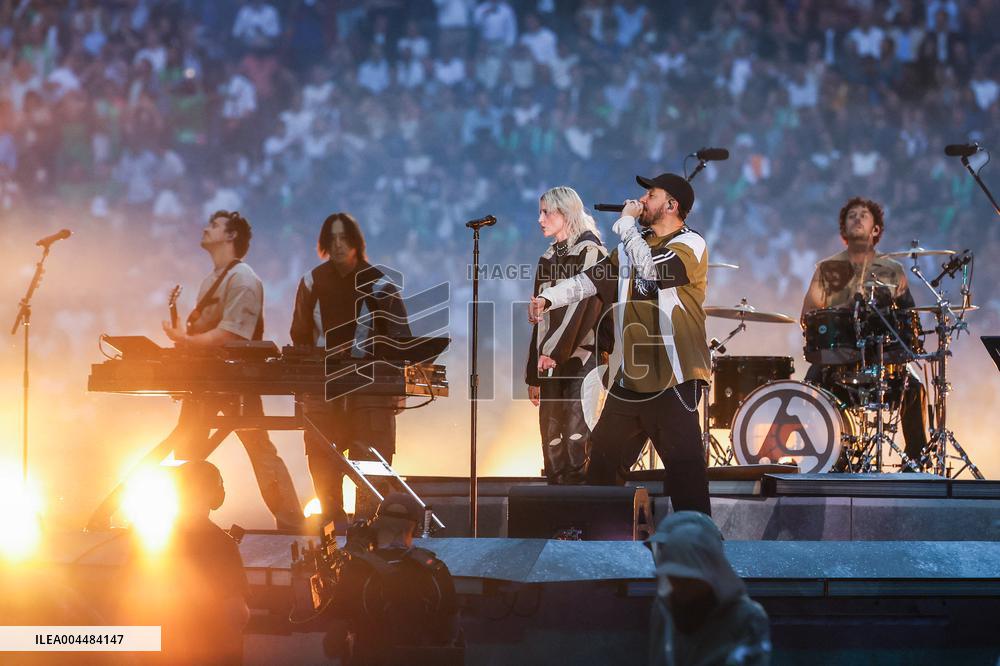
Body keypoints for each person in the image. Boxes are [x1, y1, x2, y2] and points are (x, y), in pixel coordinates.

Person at [529, 173, 712, 515]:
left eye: (651, 195)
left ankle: (700, 547)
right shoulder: (631, 245)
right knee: (602, 464)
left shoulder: (690, 244)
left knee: (685, 472)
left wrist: (626, 226)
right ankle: (601, 546)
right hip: (631, 381)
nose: (642, 200)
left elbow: (653, 273)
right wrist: (549, 298)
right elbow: (591, 280)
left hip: (673, 377)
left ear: (672, 205)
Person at [160, 209, 302, 530]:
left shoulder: (243, 278)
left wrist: (187, 339)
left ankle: (293, 526)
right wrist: (185, 342)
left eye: (214, 225)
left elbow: (232, 334)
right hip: (209, 380)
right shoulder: (211, 280)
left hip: (235, 381)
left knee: (259, 450)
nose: (206, 228)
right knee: (191, 448)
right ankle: (188, 518)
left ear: (231, 235)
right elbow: (207, 337)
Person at [290, 212, 411, 529]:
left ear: (356, 242)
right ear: (325, 244)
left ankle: (367, 533)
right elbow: (299, 337)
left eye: (344, 238)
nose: (339, 245)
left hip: (370, 396)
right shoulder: (312, 281)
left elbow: (400, 339)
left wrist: (388, 381)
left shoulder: (380, 283)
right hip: (324, 392)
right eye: (333, 239)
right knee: (322, 467)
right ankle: (332, 531)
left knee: (371, 476)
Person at [800, 197, 928, 467]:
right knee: (808, 390)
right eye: (852, 216)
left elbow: (909, 319)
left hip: (883, 360)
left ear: (876, 230)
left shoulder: (894, 270)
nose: (857, 219)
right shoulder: (826, 268)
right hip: (837, 360)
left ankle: (916, 461)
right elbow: (807, 316)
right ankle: (816, 458)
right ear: (843, 231)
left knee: (915, 388)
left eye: (864, 216)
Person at [119, 461, 249, 665]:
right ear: (216, 496)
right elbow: (237, 612)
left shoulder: (148, 538)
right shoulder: (221, 544)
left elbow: (128, 603)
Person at [526, 186, 610, 484]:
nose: (540, 219)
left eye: (546, 212)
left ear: (566, 213)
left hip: (583, 357)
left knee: (578, 434)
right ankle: (555, 511)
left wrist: (556, 354)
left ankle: (581, 513)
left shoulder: (593, 252)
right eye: (540, 212)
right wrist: (533, 375)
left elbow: (585, 309)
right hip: (551, 360)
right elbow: (540, 322)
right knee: (550, 436)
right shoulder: (547, 258)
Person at [324, 492, 460, 665]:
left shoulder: (356, 570)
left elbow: (332, 646)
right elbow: (450, 636)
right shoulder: (436, 570)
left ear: (377, 524)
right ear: (416, 527)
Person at [648, 512, 771, 666]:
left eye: (688, 580)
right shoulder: (664, 607)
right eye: (674, 578)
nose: (680, 587)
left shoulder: (747, 616)